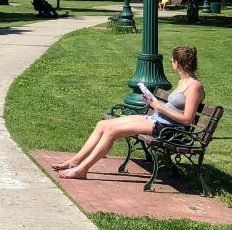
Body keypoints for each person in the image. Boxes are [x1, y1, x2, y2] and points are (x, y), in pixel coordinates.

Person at [53, 47, 203, 179]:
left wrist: (159, 107)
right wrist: (153, 102)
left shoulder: (194, 87)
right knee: (102, 124)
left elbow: (187, 120)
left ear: (177, 63)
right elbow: (175, 107)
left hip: (167, 129)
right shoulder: (182, 82)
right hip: (158, 119)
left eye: (172, 61)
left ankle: (82, 170)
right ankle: (75, 161)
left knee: (111, 130)